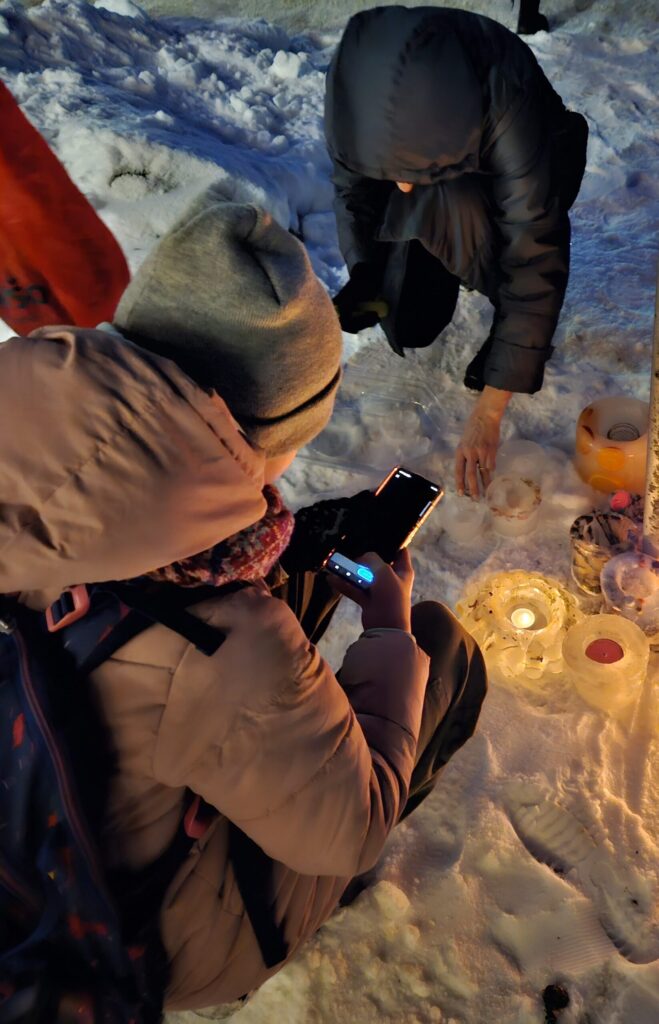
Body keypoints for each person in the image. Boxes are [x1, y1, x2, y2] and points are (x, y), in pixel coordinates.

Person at [0, 189, 487, 1014]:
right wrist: (385, 625)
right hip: (148, 936)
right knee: (444, 652)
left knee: (296, 570)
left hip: (36, 843)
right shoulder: (229, 642)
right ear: (265, 435)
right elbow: (354, 824)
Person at [324, 5, 588, 499]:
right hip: (445, 166)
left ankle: (506, 343)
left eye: (408, 173)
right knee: (409, 320)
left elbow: (534, 252)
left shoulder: (506, 95)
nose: (401, 187)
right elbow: (352, 194)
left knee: (488, 238)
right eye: (391, 172)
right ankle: (438, 248)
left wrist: (490, 409)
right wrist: (365, 270)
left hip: (536, 170)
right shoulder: (354, 91)